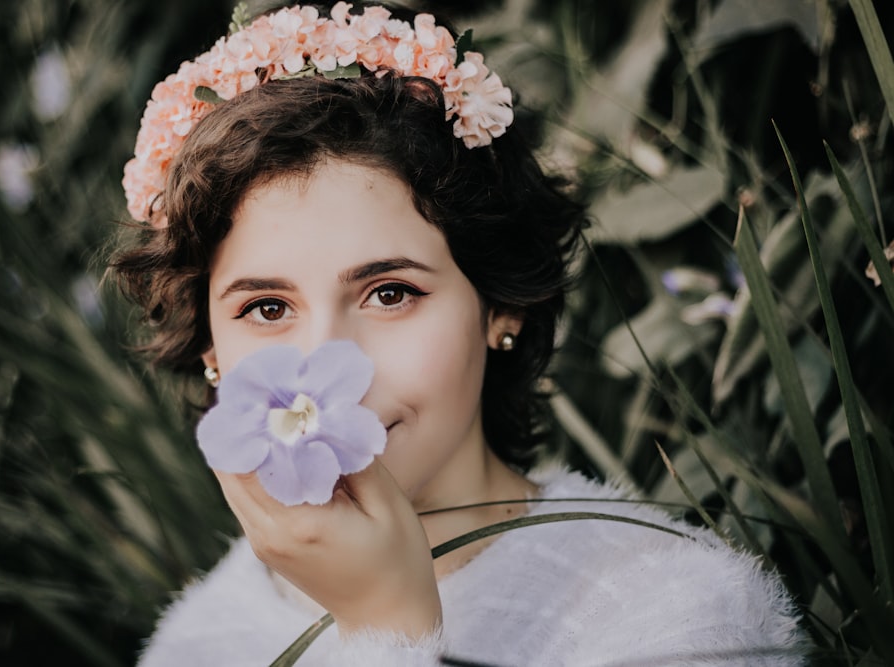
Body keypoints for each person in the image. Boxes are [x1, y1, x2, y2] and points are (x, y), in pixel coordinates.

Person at [112, 2, 807, 664]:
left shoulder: (681, 618)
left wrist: (387, 627)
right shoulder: (199, 644)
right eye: (266, 308)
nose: (325, 370)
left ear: (501, 305)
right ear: (210, 349)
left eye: (390, 293)